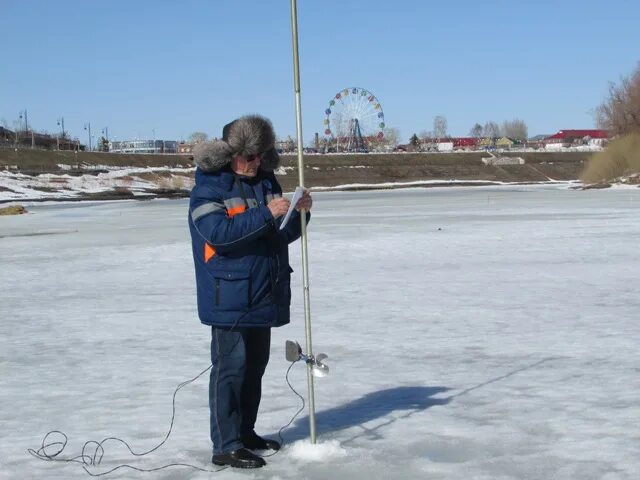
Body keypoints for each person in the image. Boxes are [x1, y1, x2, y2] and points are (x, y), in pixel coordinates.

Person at [188, 115, 312, 469]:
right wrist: (265, 215)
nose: (256, 163)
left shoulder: (266, 181)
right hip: (228, 296)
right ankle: (225, 445)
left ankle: (245, 433)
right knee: (231, 369)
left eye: (260, 156)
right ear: (232, 153)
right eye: (250, 156)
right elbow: (218, 234)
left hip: (263, 292)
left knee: (255, 366)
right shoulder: (209, 187)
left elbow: (279, 234)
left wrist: (300, 216)